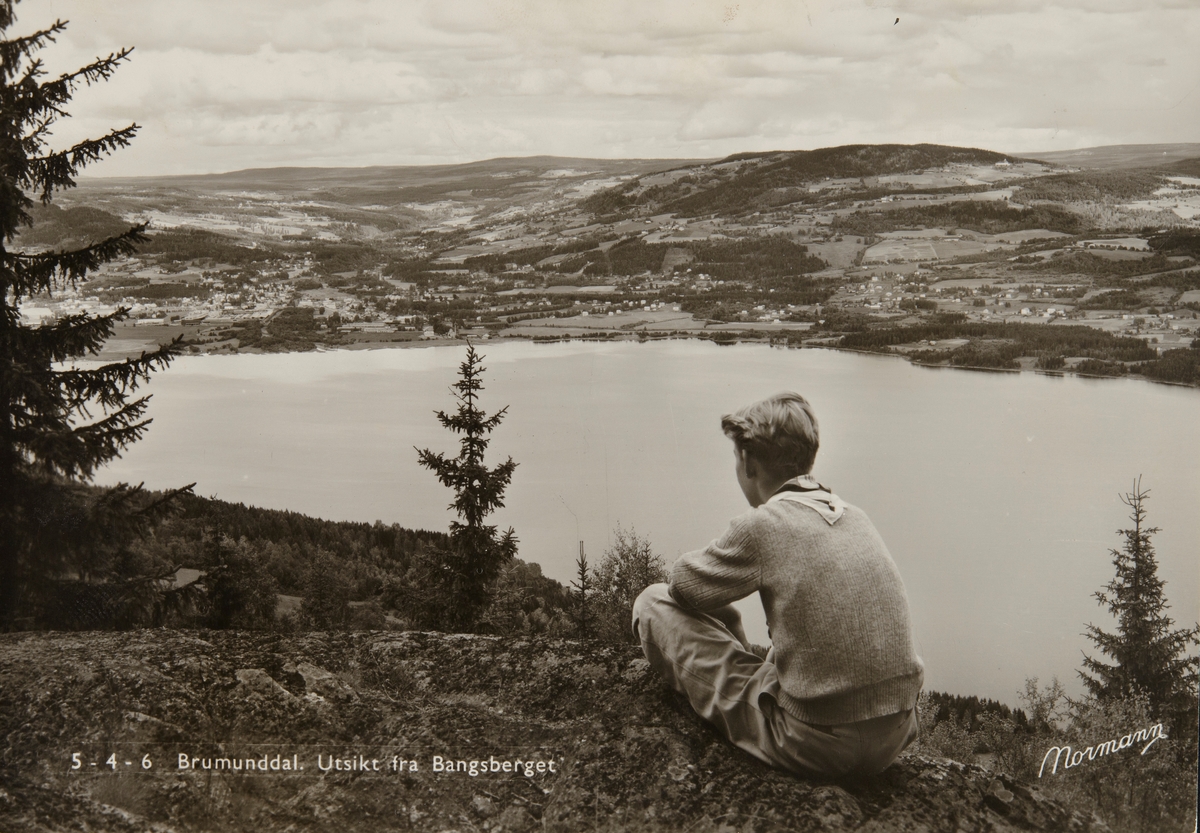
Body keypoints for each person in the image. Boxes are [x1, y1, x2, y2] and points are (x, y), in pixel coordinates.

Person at [632, 391, 924, 779]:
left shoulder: (763, 525)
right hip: (896, 733)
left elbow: (682, 586)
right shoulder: (856, 517)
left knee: (651, 603)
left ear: (748, 462)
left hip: (818, 743)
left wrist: (730, 616)